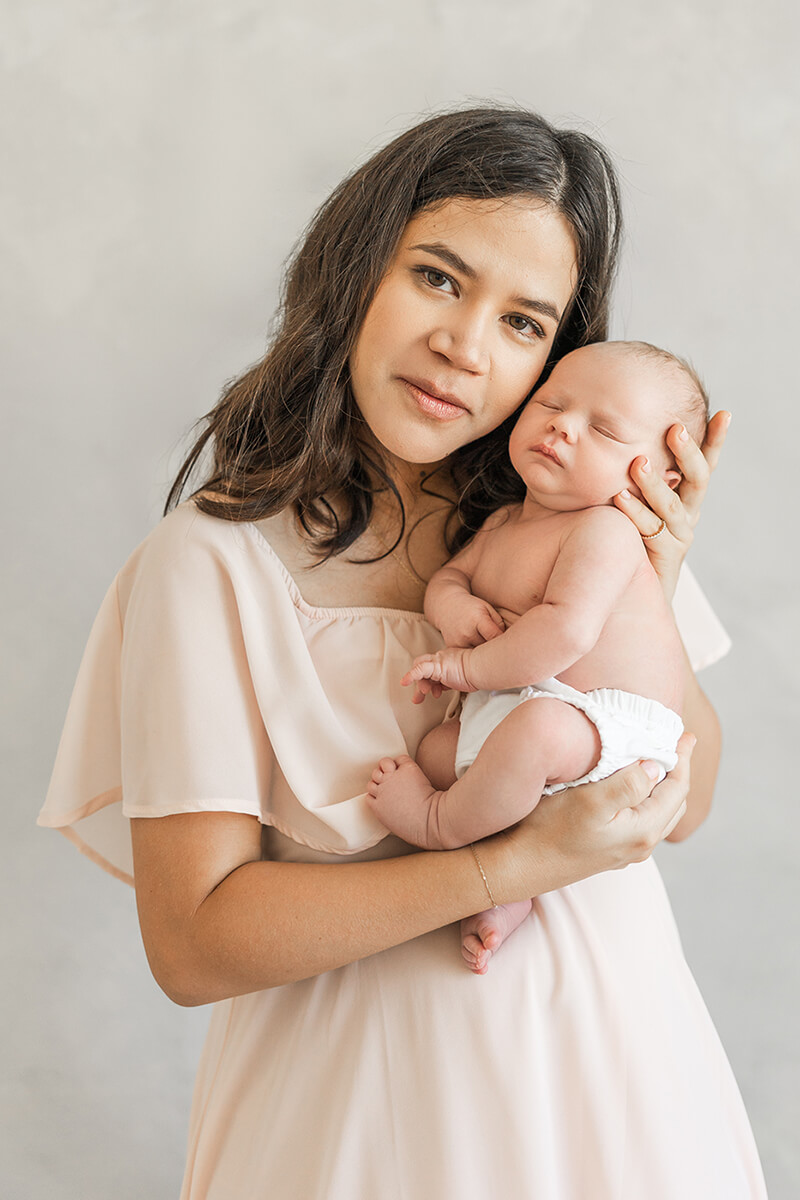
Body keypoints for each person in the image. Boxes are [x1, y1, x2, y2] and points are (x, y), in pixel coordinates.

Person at [38, 107, 767, 1199]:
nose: (465, 347)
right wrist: (499, 867)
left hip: (616, 1092)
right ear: (353, 267)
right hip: (355, 1129)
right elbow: (192, 945)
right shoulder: (210, 568)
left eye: (524, 324)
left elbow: (686, 796)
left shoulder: (568, 521)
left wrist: (650, 575)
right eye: (436, 277)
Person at [366, 340, 706, 973]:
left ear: (661, 479)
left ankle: (440, 825)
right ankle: (514, 884)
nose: (562, 427)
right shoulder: (500, 524)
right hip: (528, 705)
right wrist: (455, 609)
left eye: (603, 429)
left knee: (535, 736)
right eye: (551, 402)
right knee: (443, 751)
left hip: (608, 727)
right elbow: (447, 579)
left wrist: (462, 667)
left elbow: (566, 631)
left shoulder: (604, 533)